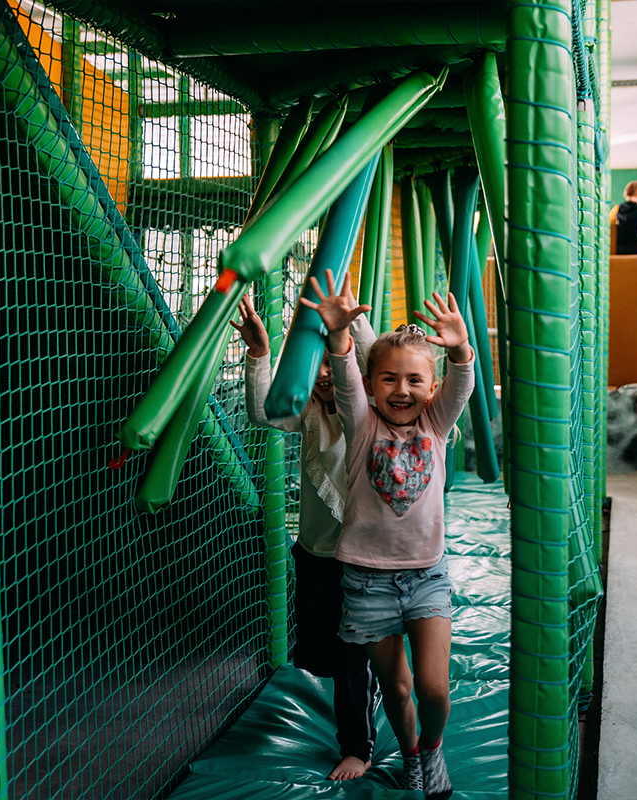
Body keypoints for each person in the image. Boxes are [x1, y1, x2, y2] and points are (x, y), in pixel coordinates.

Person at [300, 269, 475, 800]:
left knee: (433, 688)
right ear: (371, 385)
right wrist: (338, 335)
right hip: (367, 581)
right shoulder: (361, 426)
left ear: (431, 388)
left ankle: (431, 747)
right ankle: (411, 754)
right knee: (397, 689)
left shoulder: (435, 426)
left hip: (425, 576)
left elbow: (462, 383)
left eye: (415, 380)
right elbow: (344, 376)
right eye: (389, 380)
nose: (401, 390)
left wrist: (460, 348)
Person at [230, 288, 380, 782]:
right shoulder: (310, 412)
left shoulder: (369, 412)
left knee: (353, 657)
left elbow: (370, 361)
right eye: (314, 366)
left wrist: (350, 323)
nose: (324, 376)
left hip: (362, 558)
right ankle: (365, 688)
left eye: (332, 364)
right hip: (316, 554)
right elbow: (263, 412)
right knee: (321, 653)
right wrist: (259, 353)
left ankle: (357, 746)